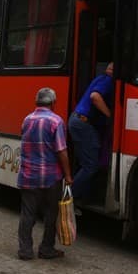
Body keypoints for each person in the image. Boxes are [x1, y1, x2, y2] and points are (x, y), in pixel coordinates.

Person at [17, 88, 73, 260]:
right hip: (50, 177)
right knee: (51, 213)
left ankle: (25, 251)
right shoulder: (56, 121)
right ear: (53, 103)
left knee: (27, 214)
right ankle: (46, 249)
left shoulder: (27, 120)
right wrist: (68, 175)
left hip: (28, 175)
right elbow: (61, 151)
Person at [68, 61, 115, 200]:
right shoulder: (108, 81)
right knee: (91, 165)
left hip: (79, 121)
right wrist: (110, 115)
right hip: (83, 123)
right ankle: (69, 199)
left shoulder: (100, 78)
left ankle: (82, 197)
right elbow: (95, 97)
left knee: (86, 163)